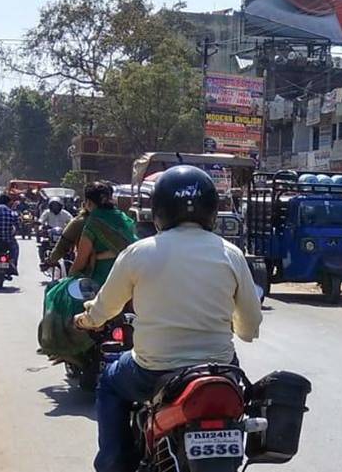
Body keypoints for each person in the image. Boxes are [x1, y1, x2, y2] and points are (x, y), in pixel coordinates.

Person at [74, 165, 262, 472]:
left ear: (158, 209)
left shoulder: (139, 252)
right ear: (211, 209)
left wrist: (84, 321)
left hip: (152, 370)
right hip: (219, 369)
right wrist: (235, 328)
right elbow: (250, 328)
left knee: (109, 382)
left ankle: (113, 463)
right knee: (238, 392)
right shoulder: (231, 254)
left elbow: (103, 311)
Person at [69, 182, 138, 287]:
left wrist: (69, 277)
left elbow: (81, 260)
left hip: (103, 281)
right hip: (130, 277)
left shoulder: (94, 221)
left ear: (88, 202)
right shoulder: (123, 217)